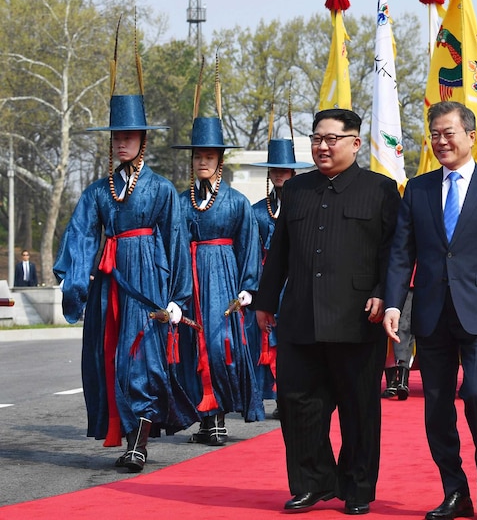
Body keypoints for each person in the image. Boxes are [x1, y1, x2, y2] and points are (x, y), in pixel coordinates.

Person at [383, 101, 477, 520]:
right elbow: (400, 253)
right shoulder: (419, 188)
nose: (442, 141)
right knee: (436, 404)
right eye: (435, 134)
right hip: (431, 312)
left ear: (470, 135)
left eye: (449, 133)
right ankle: (454, 489)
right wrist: (395, 303)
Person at [255, 108, 400, 516]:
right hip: (300, 317)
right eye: (316, 138)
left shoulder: (381, 189)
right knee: (296, 405)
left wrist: (382, 293)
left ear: (355, 143)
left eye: (331, 138)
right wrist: (266, 301)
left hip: (358, 318)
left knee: (359, 411)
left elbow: (394, 252)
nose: (322, 146)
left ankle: (357, 488)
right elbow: (279, 251)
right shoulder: (298, 190)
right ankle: (312, 483)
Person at [53, 92, 198, 473]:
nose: (121, 142)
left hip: (148, 282)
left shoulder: (162, 189)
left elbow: (176, 241)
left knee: (143, 361)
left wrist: (177, 297)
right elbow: (82, 235)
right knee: (112, 360)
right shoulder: (99, 191)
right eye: (116, 136)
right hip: (109, 284)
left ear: (143, 140)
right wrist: (74, 283)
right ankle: (127, 432)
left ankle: (139, 446)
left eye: (129, 136)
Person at [173, 116, 264, 446]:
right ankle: (204, 419)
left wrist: (247, 287)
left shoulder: (238, 202)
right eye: (197, 157)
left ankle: (220, 415)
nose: (202, 162)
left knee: (219, 346)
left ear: (219, 161)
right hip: (188, 281)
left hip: (224, 280)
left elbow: (248, 246)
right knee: (191, 347)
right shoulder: (180, 203)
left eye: (209, 157)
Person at [245, 137, 313, 417]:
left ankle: (296, 395)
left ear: (293, 172)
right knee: (264, 339)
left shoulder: (305, 205)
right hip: (267, 278)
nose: (279, 174)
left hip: (297, 279)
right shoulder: (257, 210)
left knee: (295, 339)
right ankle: (264, 396)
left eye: (284, 170)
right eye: (274, 169)